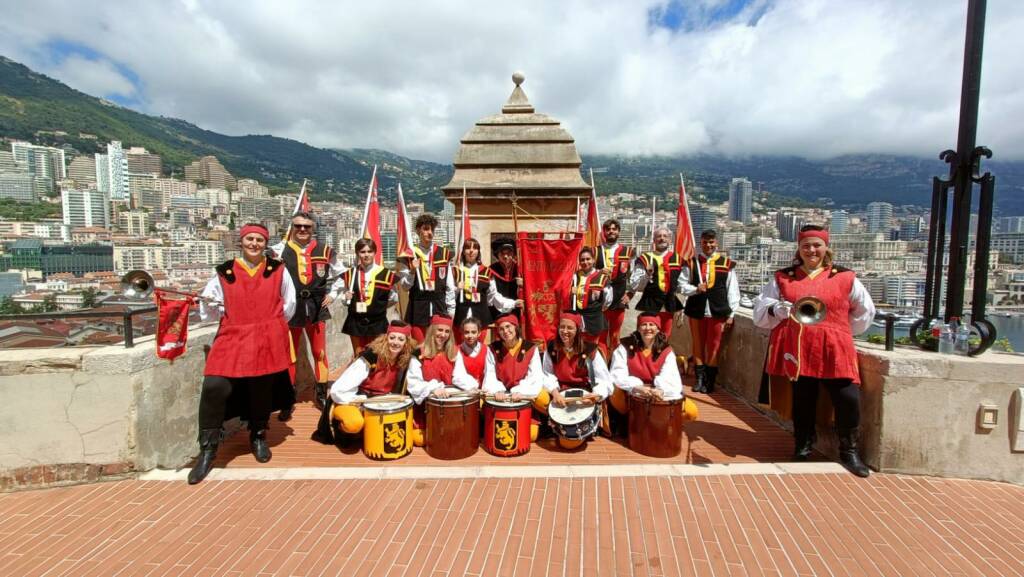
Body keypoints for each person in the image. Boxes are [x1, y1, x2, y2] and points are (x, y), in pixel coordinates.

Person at [753, 225, 875, 477]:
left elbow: (865, 312)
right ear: (798, 248)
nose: (811, 250)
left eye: (817, 245)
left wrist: (839, 331)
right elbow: (760, 310)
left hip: (834, 347)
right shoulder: (783, 277)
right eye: (806, 245)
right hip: (800, 346)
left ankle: (849, 450)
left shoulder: (845, 277)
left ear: (826, 248)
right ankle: (803, 445)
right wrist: (778, 310)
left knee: (847, 397)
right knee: (803, 398)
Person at [188, 223, 296, 484]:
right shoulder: (225, 272)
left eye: (259, 240)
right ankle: (208, 449)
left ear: (265, 243)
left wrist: (270, 326)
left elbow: (289, 304)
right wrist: (210, 305)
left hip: (265, 336)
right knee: (215, 385)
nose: (254, 244)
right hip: (233, 335)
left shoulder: (277, 269)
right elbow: (211, 308)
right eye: (250, 239)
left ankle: (258, 435)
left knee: (261, 387)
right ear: (241, 241)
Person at [271, 211, 346, 412]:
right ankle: (288, 399)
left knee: (319, 352)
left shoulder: (326, 250)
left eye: (307, 226)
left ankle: (321, 394)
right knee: (290, 355)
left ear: (313, 228)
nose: (302, 230)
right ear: (292, 228)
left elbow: (344, 274)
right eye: (298, 226)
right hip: (291, 307)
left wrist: (334, 294)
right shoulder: (278, 251)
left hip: (316, 306)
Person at [316, 320, 415, 444]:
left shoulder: (404, 360)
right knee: (354, 424)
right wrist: (358, 401)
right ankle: (339, 428)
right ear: (386, 338)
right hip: (352, 400)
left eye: (401, 339)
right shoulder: (371, 357)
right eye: (392, 338)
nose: (395, 342)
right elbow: (338, 389)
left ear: (406, 343)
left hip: (378, 401)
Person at [538, 312, 614, 449]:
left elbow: (603, 380)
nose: (565, 331)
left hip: (584, 394)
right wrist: (554, 393)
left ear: (578, 330)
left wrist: (594, 397)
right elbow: (546, 374)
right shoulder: (552, 348)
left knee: (568, 444)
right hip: (560, 393)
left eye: (570, 328)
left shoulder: (590, 350)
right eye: (562, 327)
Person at [679, 229, 740, 394]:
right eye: (705, 242)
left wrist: (732, 314)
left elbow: (732, 290)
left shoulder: (726, 264)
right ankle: (699, 379)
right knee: (698, 344)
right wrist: (695, 289)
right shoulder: (692, 263)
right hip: (696, 310)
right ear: (701, 243)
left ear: (716, 243)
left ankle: (709, 380)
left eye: (711, 242)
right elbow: (682, 285)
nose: (708, 245)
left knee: (714, 346)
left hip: (718, 311)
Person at [608, 313, 698, 423]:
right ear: (638, 328)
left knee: (691, 411)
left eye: (652, 325)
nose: (648, 328)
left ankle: (665, 423)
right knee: (613, 391)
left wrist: (660, 390)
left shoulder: (666, 350)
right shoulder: (625, 346)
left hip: (657, 391)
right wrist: (636, 387)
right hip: (631, 392)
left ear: (658, 328)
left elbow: (671, 377)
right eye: (644, 325)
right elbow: (617, 374)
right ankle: (628, 419)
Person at [484, 314, 546, 441]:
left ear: (516, 327)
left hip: (522, 395)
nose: (505, 331)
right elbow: (489, 373)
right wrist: (497, 391)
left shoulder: (530, 348)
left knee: (531, 436)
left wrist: (520, 392)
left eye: (508, 327)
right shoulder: (493, 349)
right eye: (501, 329)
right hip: (502, 395)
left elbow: (535, 376)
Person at [397, 214, 455, 343]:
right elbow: (405, 286)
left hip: (439, 305)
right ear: (418, 231)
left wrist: (451, 309)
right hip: (418, 305)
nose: (430, 233)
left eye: (432, 230)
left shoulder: (444, 253)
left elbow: (449, 284)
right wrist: (412, 271)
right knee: (420, 346)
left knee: (438, 346)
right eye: (426, 229)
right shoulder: (409, 254)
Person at [452, 237, 521, 343]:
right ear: (463, 251)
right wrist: (456, 289)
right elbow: (447, 295)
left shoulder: (486, 271)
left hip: (481, 317)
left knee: (479, 348)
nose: (471, 251)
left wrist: (513, 303)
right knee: (459, 348)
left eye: (475, 248)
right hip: (460, 316)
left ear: (478, 252)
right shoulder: (455, 271)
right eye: (467, 248)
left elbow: (493, 297)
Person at [340, 238, 398, 357]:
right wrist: (346, 298)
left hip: (377, 323)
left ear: (375, 253)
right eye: (362, 252)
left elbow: (393, 298)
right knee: (359, 357)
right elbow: (345, 301)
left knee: (378, 358)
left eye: (369, 251)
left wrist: (377, 307)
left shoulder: (387, 274)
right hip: (356, 322)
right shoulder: (350, 274)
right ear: (357, 253)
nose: (366, 255)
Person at [406, 315, 458, 447]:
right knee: (419, 440)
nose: (443, 334)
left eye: (447, 331)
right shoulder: (418, 353)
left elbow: (460, 377)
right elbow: (414, 383)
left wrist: (472, 387)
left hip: (450, 403)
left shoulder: (454, 352)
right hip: (426, 405)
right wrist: (433, 388)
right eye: (440, 330)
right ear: (432, 330)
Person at [631, 227, 685, 339]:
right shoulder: (644, 259)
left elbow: (682, 285)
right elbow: (635, 285)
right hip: (650, 305)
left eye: (665, 236)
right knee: (647, 338)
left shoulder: (678, 259)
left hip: (669, 306)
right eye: (659, 236)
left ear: (670, 240)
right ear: (654, 240)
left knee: (665, 338)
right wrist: (647, 275)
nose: (662, 239)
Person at [595, 219, 636, 352]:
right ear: (604, 232)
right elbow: (586, 273)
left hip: (619, 299)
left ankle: (613, 366)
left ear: (618, 231)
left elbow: (634, 276)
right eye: (608, 229)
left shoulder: (628, 251)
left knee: (615, 335)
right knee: (600, 336)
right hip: (600, 299)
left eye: (614, 229)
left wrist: (630, 294)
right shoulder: (594, 251)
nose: (611, 231)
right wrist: (598, 272)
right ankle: (601, 369)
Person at [566, 247, 611, 343]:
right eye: (582, 260)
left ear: (593, 260)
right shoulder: (574, 276)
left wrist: (598, 308)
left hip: (594, 319)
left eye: (588, 259)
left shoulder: (602, 276)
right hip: (578, 317)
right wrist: (570, 292)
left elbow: (608, 299)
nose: (585, 262)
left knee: (592, 348)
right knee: (579, 347)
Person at [451, 317, 497, 391]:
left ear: (479, 333)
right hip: (465, 391)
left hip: (483, 391)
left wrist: (487, 389)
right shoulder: (457, 350)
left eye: (473, 332)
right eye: (466, 332)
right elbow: (458, 375)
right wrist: (472, 386)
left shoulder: (486, 350)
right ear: (462, 333)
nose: (470, 336)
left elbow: (490, 373)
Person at [488, 239, 520, 322]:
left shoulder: (520, 269)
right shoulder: (491, 270)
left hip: (519, 310)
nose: (505, 256)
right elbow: (492, 295)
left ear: (513, 254)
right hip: (498, 311)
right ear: (497, 255)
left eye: (509, 253)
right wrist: (513, 303)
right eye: (502, 253)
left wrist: (524, 284)